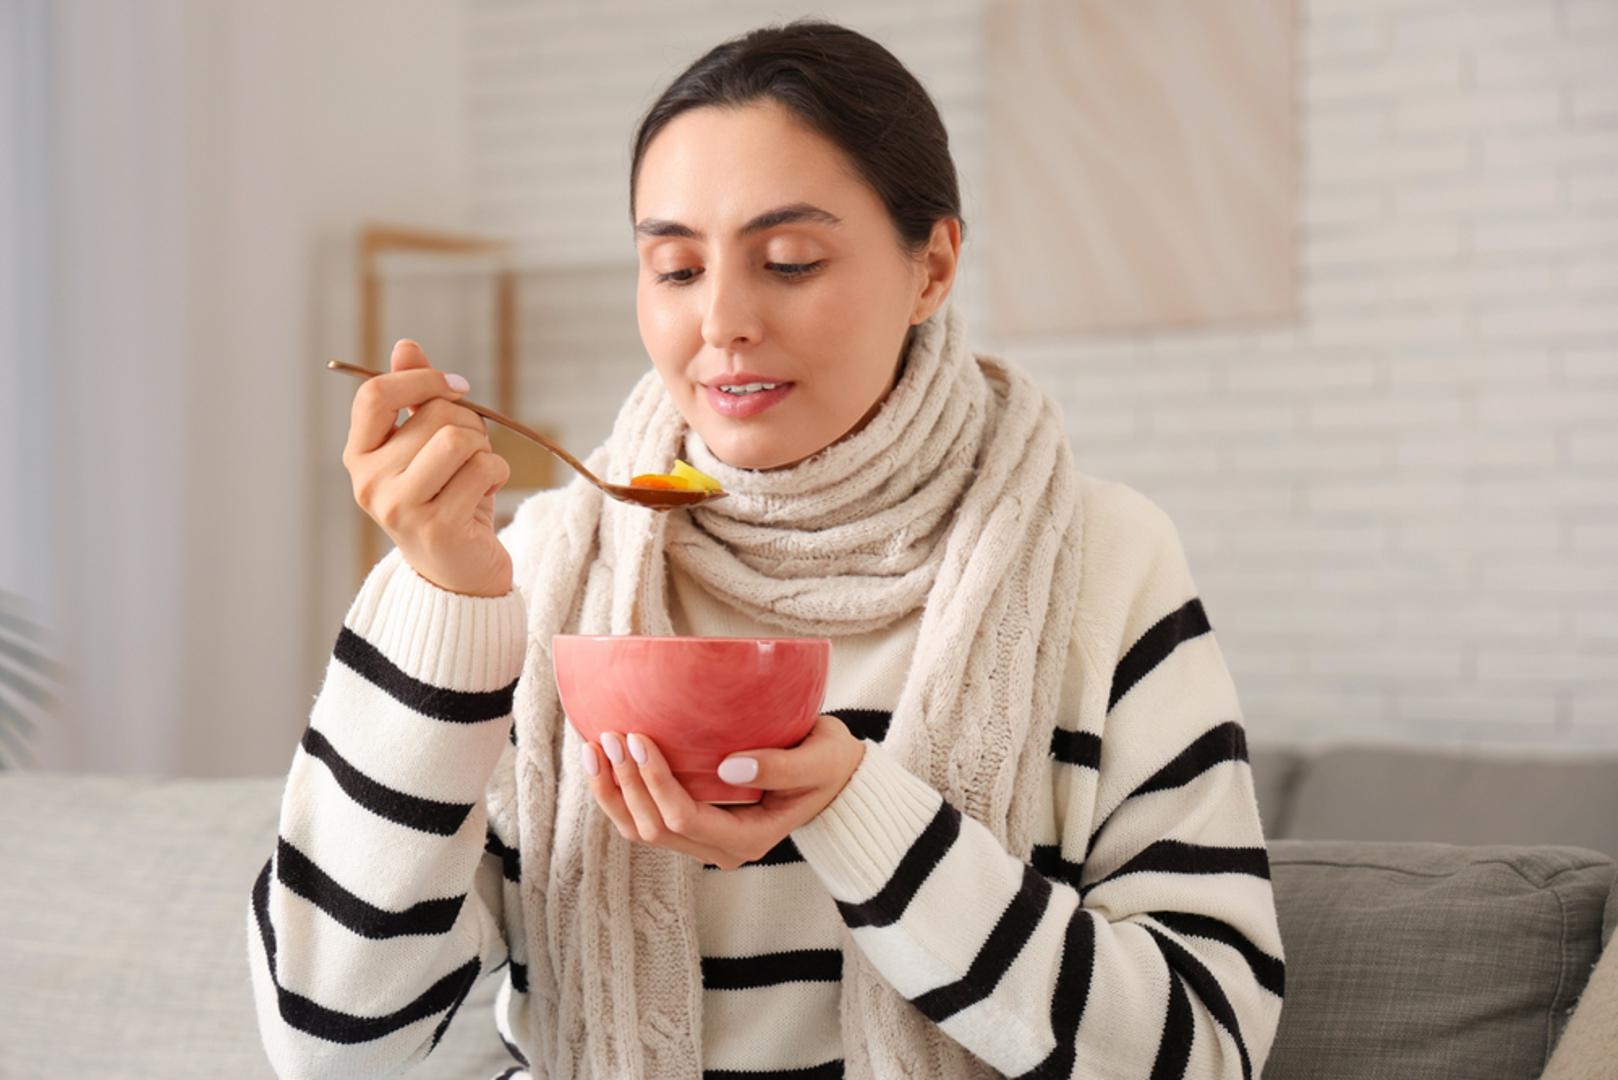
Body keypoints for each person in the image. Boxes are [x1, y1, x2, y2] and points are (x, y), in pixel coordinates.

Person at [247, 19, 1286, 1080]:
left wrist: (857, 813)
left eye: (788, 261)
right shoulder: (529, 569)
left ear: (930, 267)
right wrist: (446, 610)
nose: (724, 320)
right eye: (676, 267)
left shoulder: (1102, 562)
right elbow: (329, 1049)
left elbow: (1202, 1047)